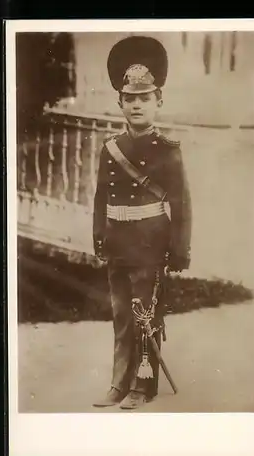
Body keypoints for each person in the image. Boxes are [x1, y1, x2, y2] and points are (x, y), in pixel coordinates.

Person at [92, 35, 192, 410]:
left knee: (144, 315)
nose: (136, 105)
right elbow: (101, 197)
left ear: (158, 101)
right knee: (121, 315)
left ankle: (142, 385)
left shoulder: (168, 150)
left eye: (144, 98)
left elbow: (181, 204)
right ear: (120, 102)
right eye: (129, 99)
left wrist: (179, 250)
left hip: (151, 243)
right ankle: (118, 383)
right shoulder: (109, 148)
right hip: (118, 241)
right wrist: (99, 236)